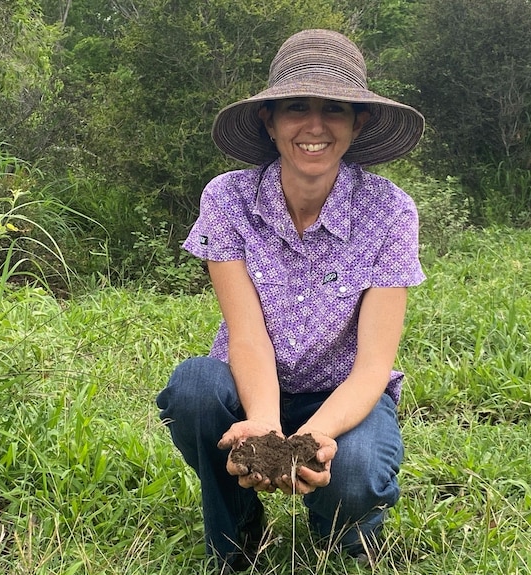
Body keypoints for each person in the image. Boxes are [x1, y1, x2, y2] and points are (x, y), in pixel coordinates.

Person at [156, 28, 426, 573]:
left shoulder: (390, 212)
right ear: (269, 120)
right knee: (193, 389)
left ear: (359, 122)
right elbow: (247, 333)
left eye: (335, 109)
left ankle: (345, 538)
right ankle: (237, 530)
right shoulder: (227, 199)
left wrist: (313, 438)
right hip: (253, 385)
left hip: (344, 393)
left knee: (355, 474)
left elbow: (374, 365)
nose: (315, 126)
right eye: (296, 107)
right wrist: (264, 427)